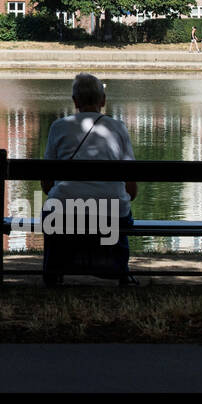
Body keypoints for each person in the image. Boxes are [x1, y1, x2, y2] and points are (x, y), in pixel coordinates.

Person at [41, 72, 138, 286]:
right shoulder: (118, 128)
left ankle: (53, 271)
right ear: (103, 101)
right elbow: (132, 190)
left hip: (64, 212)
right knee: (119, 210)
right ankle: (120, 271)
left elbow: (47, 185)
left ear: (75, 101)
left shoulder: (58, 127)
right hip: (111, 213)